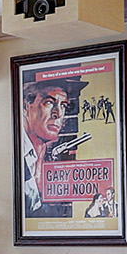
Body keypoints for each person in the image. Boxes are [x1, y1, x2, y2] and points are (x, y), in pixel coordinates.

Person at [19, 74, 86, 220]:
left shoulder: (48, 160)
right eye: (49, 102)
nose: (58, 113)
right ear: (25, 106)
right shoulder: (16, 157)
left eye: (63, 106)